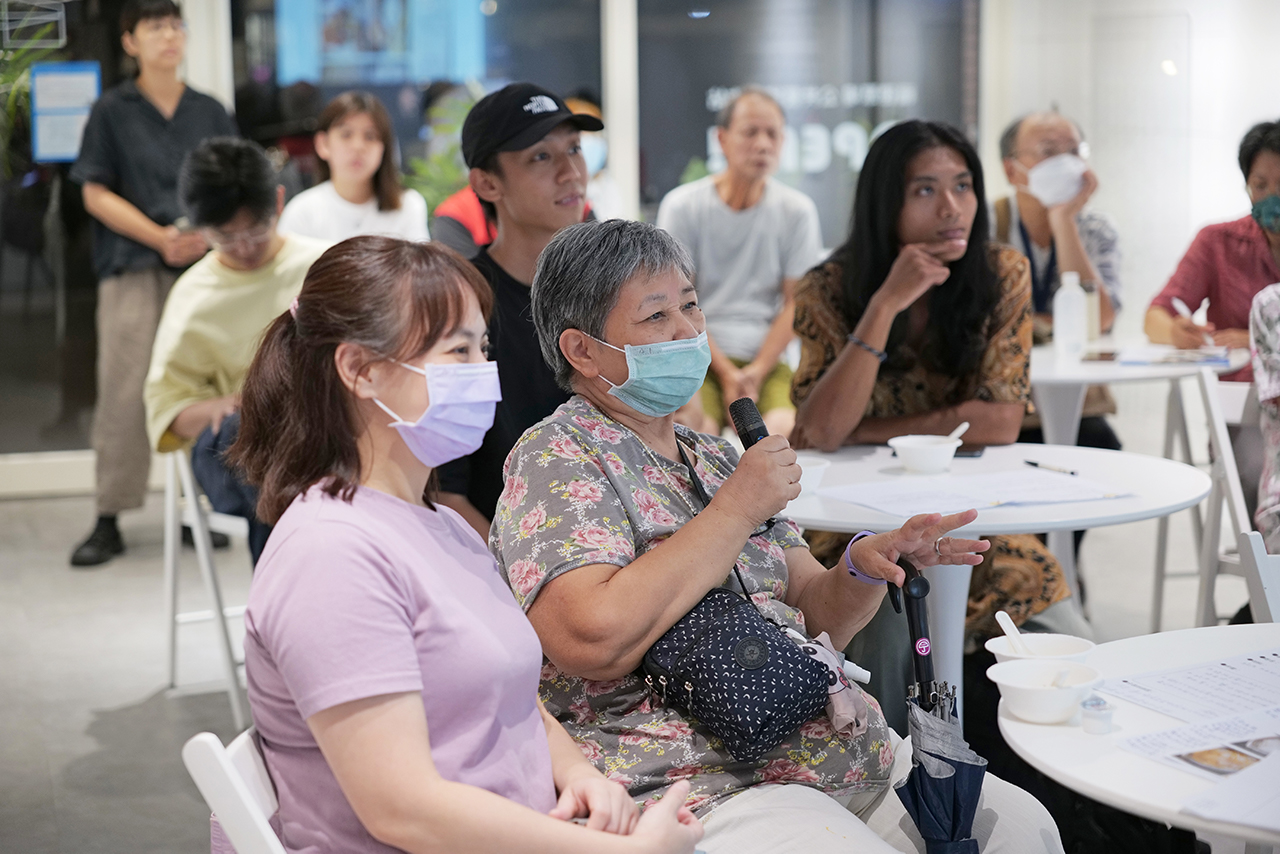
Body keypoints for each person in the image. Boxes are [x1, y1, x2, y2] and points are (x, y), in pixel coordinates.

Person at [491, 218, 1064, 854]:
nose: (688, 332)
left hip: (845, 749)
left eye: (690, 306)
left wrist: (866, 567)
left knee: (1025, 829)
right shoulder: (558, 456)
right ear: (582, 350)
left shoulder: (714, 457)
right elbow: (586, 638)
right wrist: (734, 510)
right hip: (701, 780)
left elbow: (816, 618)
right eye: (656, 318)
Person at [223, 235, 702, 854]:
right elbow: (402, 809)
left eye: (483, 348)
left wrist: (580, 774)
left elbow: (513, 703)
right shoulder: (330, 553)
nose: (482, 372)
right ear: (361, 371)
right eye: (456, 351)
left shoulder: (441, 524)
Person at [788, 120, 1090, 733]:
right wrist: (883, 307)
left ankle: (987, 744)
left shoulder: (1000, 275)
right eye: (924, 190)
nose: (952, 207)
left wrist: (869, 426)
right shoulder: (831, 288)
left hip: (969, 513)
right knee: (875, 582)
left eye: (962, 185)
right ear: (886, 202)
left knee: (1027, 572)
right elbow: (820, 430)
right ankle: (893, 756)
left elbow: (1002, 419)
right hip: (857, 520)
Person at [68, 0, 236, 567]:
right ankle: (109, 515)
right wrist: (159, 237)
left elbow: (234, 186)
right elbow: (94, 191)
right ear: (130, 41)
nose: (169, 35)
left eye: (176, 24)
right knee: (124, 389)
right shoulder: (112, 111)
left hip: (205, 268)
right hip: (133, 268)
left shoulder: (210, 110)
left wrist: (205, 236)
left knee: (204, 387)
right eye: (155, 26)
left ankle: (197, 508)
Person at [143, 138, 328, 564]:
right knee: (245, 427)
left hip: (321, 437)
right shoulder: (194, 296)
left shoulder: (323, 268)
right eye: (224, 237)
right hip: (243, 455)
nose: (244, 248)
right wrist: (224, 405)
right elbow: (167, 409)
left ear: (279, 202)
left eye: (256, 230)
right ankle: (293, 588)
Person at [435, 83, 603, 537]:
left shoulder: (612, 289)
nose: (571, 172)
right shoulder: (461, 304)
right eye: (541, 157)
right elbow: (445, 492)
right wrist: (514, 582)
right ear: (487, 183)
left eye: (574, 148)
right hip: (511, 558)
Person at [656, 87, 822, 437]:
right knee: (695, 435)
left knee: (783, 435)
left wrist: (757, 371)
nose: (763, 144)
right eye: (750, 132)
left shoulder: (797, 211)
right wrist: (728, 373)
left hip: (768, 359)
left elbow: (797, 302)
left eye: (773, 134)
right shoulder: (683, 206)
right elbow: (676, 303)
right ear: (722, 139)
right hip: (698, 353)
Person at [995, 112, 1122, 455]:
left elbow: (1099, 319)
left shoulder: (1096, 229)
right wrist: (1050, 325)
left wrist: (1063, 219)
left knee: (1102, 449)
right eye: (1049, 152)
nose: (1065, 163)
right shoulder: (984, 226)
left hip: (1080, 404)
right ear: (1012, 170)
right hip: (998, 405)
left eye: (1074, 152)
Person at [1146, 120, 1280, 383]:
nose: (1272, 197)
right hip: (1241, 406)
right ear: (1247, 187)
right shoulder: (1218, 242)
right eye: (1260, 185)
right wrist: (1176, 332)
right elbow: (1155, 317)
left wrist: (1257, 339)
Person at [278, 91, 429, 242]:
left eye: (370, 136)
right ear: (323, 144)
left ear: (384, 147)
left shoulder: (408, 206)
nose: (358, 146)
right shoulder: (302, 212)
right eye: (346, 134)